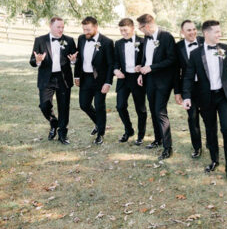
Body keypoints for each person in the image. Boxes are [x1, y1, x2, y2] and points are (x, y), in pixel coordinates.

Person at [182, 20, 227, 180]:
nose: (219, 35)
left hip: (224, 96)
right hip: (205, 97)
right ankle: (214, 160)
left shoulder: (226, 49)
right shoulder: (195, 54)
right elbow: (188, 76)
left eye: (220, 32)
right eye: (216, 32)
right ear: (206, 33)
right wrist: (186, 96)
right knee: (210, 130)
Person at [136, 13, 177, 159]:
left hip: (163, 81)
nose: (140, 31)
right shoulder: (147, 38)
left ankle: (168, 147)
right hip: (149, 81)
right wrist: (142, 73)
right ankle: (158, 139)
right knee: (153, 110)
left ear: (146, 26)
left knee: (160, 112)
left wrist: (152, 67)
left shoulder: (166, 37)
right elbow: (146, 59)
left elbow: (172, 60)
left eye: (140, 28)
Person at [30, 17, 76, 144]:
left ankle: (62, 134)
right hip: (46, 79)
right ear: (51, 26)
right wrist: (38, 61)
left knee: (64, 107)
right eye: (58, 27)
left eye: (62, 27)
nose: (61, 29)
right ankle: (53, 122)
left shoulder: (69, 40)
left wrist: (73, 60)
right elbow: (32, 61)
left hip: (63, 79)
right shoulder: (40, 40)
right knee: (44, 105)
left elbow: (75, 58)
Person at [74, 16, 115, 145]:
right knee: (84, 104)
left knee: (99, 105)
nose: (86, 32)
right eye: (84, 29)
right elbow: (79, 58)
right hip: (85, 78)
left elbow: (110, 64)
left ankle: (100, 134)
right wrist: (76, 76)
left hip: (100, 80)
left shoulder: (107, 42)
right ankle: (98, 123)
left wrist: (108, 82)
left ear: (96, 27)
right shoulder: (81, 39)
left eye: (88, 29)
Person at [113, 18, 147, 144]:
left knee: (140, 109)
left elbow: (147, 59)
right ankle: (129, 130)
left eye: (125, 30)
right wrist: (116, 70)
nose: (123, 33)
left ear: (132, 28)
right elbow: (115, 60)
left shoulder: (143, 42)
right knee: (120, 106)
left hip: (138, 79)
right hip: (123, 78)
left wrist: (141, 67)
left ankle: (141, 135)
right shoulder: (118, 43)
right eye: (121, 30)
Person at [174, 20, 204, 158]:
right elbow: (175, 71)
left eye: (193, 29)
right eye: (188, 30)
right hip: (188, 88)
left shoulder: (205, 42)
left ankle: (211, 143)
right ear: (182, 32)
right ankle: (197, 147)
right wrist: (177, 91)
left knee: (209, 118)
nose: (192, 32)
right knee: (192, 119)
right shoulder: (178, 47)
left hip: (206, 87)